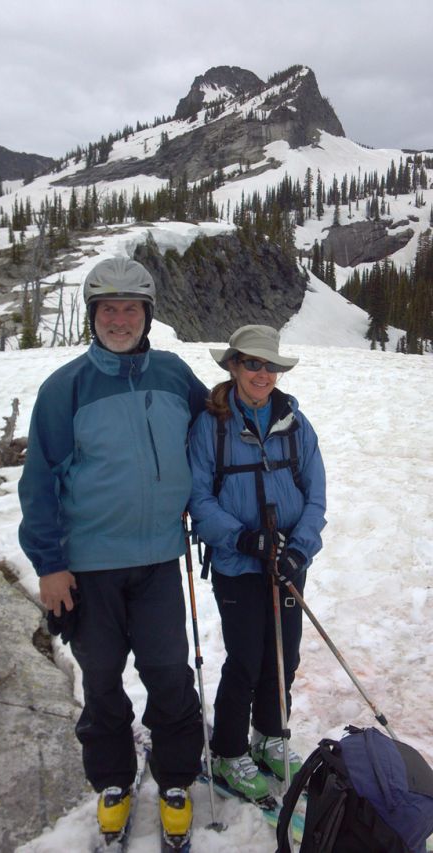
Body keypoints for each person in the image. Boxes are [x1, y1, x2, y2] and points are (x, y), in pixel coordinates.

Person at [18, 257, 207, 845]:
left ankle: (175, 776)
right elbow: (39, 481)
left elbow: (212, 433)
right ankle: (112, 778)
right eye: (108, 309)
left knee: (168, 672)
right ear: (92, 316)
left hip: (157, 561)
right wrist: (49, 564)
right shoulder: (65, 387)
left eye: (131, 308)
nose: (119, 319)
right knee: (101, 680)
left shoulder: (174, 374)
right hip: (89, 567)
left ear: (147, 316)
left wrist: (269, 408)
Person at [188, 324, 326, 802]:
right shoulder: (212, 425)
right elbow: (199, 498)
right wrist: (242, 539)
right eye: (252, 363)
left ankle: (270, 734)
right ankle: (228, 751)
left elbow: (316, 495)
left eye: (270, 365)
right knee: (246, 659)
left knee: (283, 655)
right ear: (233, 365)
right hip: (238, 563)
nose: (262, 374)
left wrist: (299, 549)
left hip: (288, 560)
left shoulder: (295, 422)